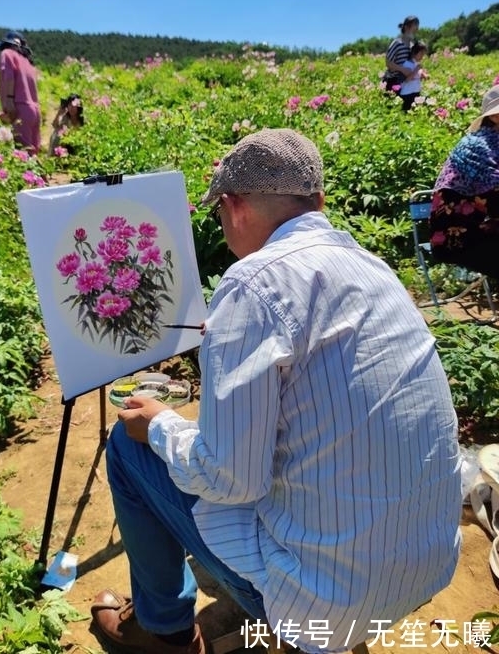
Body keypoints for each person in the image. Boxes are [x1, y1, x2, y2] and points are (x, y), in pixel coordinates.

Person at [90, 128, 462, 654]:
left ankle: (165, 629)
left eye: (220, 213)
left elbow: (230, 478)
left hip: (325, 600)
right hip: (422, 568)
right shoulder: (371, 268)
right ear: (320, 202)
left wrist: (158, 425)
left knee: (130, 448)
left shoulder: (252, 284)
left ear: (236, 207)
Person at [429, 84, 499, 278]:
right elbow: (493, 201)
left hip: (485, 230)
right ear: (494, 117)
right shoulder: (477, 146)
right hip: (457, 238)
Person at [0, 30, 41, 154]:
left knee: (23, 153)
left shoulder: (7, 53)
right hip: (34, 110)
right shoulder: (28, 62)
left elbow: (9, 77)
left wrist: (9, 100)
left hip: (19, 107)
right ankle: (42, 173)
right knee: (33, 151)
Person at [382, 15, 420, 92]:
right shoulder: (397, 43)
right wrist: (403, 69)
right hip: (393, 81)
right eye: (415, 25)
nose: (417, 28)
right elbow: (388, 63)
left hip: (406, 84)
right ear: (406, 27)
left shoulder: (412, 45)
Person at [398, 40, 428, 111]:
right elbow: (406, 79)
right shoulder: (406, 64)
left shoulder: (415, 64)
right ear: (414, 52)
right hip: (407, 95)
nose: (422, 57)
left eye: (423, 54)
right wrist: (416, 70)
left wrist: (423, 76)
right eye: (421, 54)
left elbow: (416, 77)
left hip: (416, 93)